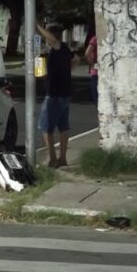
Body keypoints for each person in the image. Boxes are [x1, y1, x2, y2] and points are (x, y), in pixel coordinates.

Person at [36, 22, 79, 168]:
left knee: (45, 127)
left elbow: (53, 41)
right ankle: (62, 158)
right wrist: (67, 70)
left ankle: (53, 159)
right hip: (64, 93)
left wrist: (36, 25)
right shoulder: (65, 50)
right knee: (63, 127)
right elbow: (77, 59)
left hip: (54, 94)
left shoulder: (59, 47)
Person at [85, 35, 98, 104]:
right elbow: (87, 54)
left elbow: (87, 54)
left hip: (96, 73)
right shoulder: (95, 39)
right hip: (96, 73)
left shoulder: (95, 38)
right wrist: (93, 65)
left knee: (97, 100)